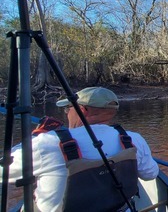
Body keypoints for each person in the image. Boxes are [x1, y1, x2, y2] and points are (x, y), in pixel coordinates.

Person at [5, 87, 159, 211]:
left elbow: (3, 172)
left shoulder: (47, 142)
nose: (66, 113)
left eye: (68, 108)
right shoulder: (133, 139)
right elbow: (150, 174)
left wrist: (36, 136)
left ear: (83, 110)